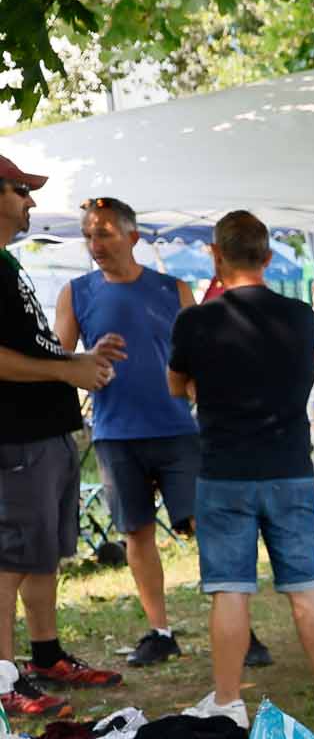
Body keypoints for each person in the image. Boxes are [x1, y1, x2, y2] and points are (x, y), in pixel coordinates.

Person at [166, 210, 314, 728]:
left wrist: (205, 387)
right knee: (306, 587)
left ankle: (227, 700)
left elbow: (177, 387)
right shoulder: (301, 317)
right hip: (289, 467)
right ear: (267, 257)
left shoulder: (195, 320)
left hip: (225, 472)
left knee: (230, 589)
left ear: (215, 256)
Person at [0, 154, 127, 720]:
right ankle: (4, 681)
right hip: (15, 439)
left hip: (45, 434)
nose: (30, 201)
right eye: (21, 190)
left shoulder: (6, 265)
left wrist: (77, 358)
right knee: (8, 562)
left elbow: (29, 348)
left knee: (42, 555)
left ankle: (45, 655)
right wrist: (66, 371)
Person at [54, 195, 203, 667]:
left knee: (206, 526)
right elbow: (58, 362)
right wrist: (87, 356)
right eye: (88, 235)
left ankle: (240, 622)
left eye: (104, 233)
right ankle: (160, 630)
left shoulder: (174, 289)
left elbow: (203, 357)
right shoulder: (76, 293)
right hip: (116, 432)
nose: (94, 243)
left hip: (177, 428)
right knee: (137, 533)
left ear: (132, 237)